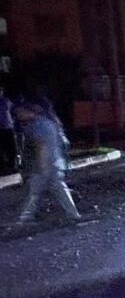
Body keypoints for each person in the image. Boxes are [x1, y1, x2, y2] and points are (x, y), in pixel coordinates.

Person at [14, 95, 80, 223]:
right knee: (58, 189)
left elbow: (42, 146)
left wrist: (42, 166)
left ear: (30, 111)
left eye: (20, 113)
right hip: (52, 162)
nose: (18, 116)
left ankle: (25, 217)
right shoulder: (48, 122)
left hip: (44, 164)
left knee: (33, 192)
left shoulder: (39, 125)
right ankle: (73, 214)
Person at [0, 86, 16, 173]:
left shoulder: (6, 100)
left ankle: (12, 166)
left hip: (8, 128)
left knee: (11, 148)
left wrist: (12, 121)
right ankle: (2, 167)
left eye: (1, 91)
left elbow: (13, 111)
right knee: (1, 149)